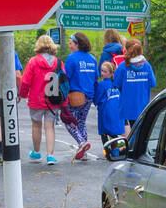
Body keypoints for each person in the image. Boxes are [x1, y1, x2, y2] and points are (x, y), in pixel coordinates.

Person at [20, 34, 64, 165]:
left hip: (36, 99)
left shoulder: (33, 62)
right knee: (49, 127)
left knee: (36, 126)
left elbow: (26, 81)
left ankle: (37, 152)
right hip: (53, 100)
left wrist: (22, 94)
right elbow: (63, 80)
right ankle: (50, 155)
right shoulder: (58, 62)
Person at [62, 32, 99, 160]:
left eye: (71, 41)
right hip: (89, 96)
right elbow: (96, 79)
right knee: (82, 123)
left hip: (75, 95)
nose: (69, 43)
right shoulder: (92, 59)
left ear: (77, 43)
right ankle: (84, 153)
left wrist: (63, 95)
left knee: (68, 120)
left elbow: (66, 78)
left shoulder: (71, 58)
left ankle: (81, 143)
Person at [114, 39, 157, 135]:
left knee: (132, 132)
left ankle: (132, 148)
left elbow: (117, 84)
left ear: (126, 49)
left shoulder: (123, 66)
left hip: (128, 106)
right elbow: (153, 83)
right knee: (142, 132)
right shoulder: (147, 65)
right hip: (143, 104)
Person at [94, 60, 126, 160]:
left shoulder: (102, 84)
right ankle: (120, 150)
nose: (102, 73)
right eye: (101, 71)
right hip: (117, 111)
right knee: (115, 132)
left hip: (106, 112)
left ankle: (109, 153)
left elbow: (96, 99)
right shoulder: (116, 84)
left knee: (104, 132)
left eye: (105, 71)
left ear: (111, 73)